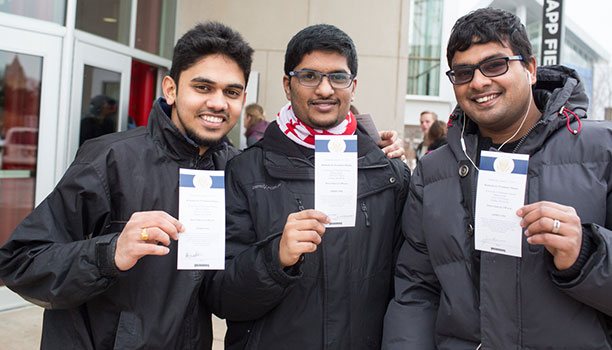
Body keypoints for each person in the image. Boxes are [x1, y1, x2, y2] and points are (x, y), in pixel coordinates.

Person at [0, 22, 253, 349]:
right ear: (171, 89)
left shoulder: (234, 170)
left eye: (231, 92)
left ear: (243, 98)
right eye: (203, 87)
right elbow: (21, 262)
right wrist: (109, 253)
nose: (219, 103)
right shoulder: (108, 159)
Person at [383, 7, 612, 349]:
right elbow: (416, 290)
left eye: (495, 65)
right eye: (463, 73)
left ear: (531, 69)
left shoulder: (606, 151)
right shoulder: (433, 172)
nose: (479, 82)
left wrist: (587, 255)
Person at [213, 24, 410, 349]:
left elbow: (409, 288)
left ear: (353, 86)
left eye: (338, 77)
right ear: (288, 85)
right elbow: (221, 297)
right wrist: (275, 258)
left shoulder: (390, 174)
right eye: (309, 76)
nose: (324, 89)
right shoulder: (244, 172)